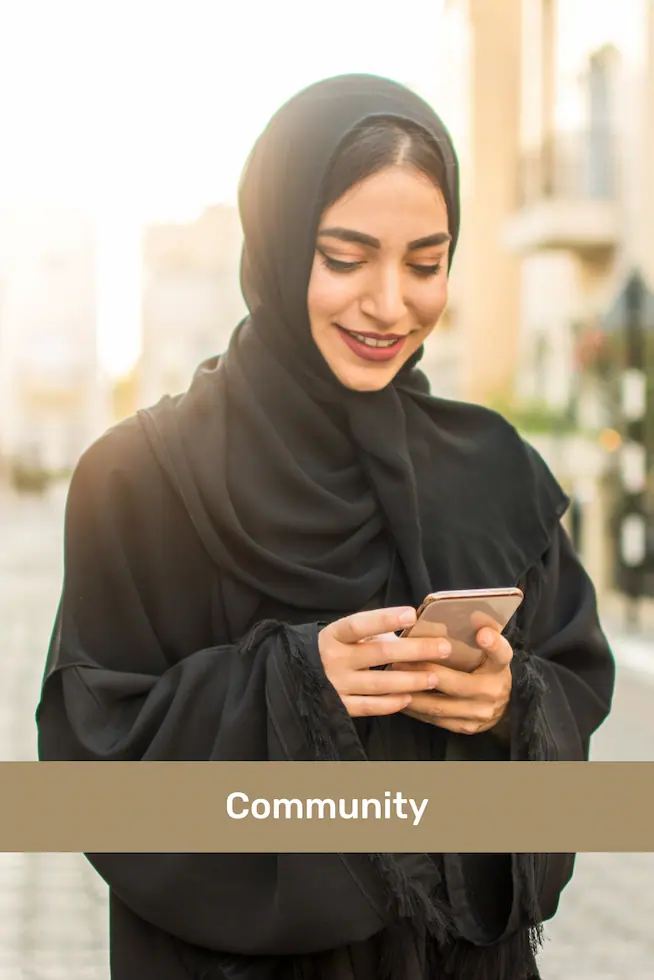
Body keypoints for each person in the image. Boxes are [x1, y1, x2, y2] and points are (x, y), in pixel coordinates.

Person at [36, 73, 615, 980]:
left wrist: (513, 704)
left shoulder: (497, 472)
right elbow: (91, 763)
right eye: (345, 258)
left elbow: (576, 686)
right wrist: (295, 684)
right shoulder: (142, 480)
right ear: (275, 242)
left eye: (426, 263)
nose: (390, 305)